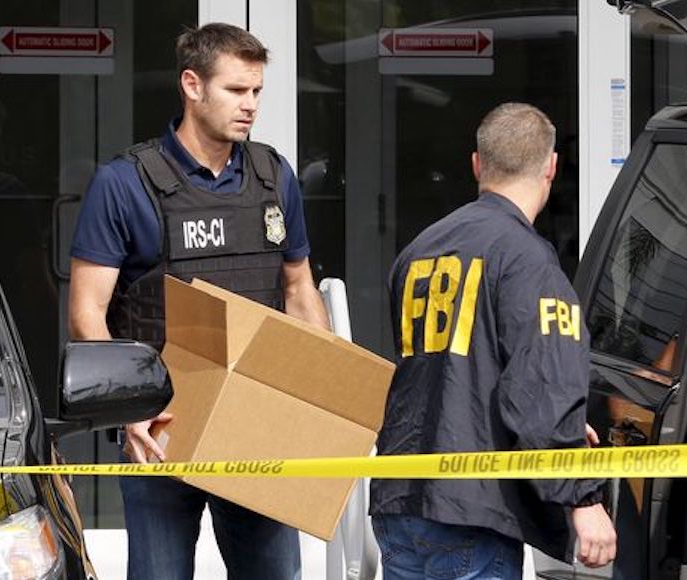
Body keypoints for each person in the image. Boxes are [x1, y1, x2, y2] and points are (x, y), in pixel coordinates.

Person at [67, 22, 329, 580]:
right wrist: (132, 408)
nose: (250, 105)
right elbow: (87, 311)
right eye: (236, 90)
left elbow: (298, 288)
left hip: (255, 424)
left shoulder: (272, 175)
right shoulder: (126, 183)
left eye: (257, 91)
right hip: (163, 427)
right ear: (192, 85)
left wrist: (321, 400)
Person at [370, 102, 617, 579]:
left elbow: (449, 373)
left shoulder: (419, 250)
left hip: (399, 498)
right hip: (473, 511)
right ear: (551, 167)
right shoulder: (529, 261)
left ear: (477, 165)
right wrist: (583, 496)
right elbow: (542, 389)